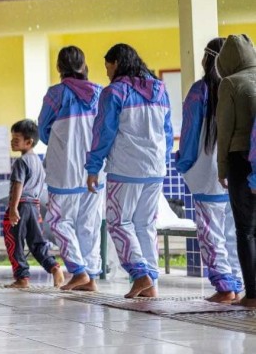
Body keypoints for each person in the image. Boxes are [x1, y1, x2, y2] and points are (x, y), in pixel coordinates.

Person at [85, 43, 172, 299]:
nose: (107, 72)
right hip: (155, 168)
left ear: (117, 64)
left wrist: (93, 166)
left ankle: (140, 274)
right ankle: (151, 283)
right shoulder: (160, 90)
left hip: (126, 168)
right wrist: (162, 160)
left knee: (118, 222)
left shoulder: (114, 92)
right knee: (145, 225)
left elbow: (104, 131)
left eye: (108, 66)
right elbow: (166, 132)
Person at [176, 37, 243, 303]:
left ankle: (225, 287)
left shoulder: (200, 91)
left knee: (210, 234)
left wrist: (184, 165)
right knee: (233, 232)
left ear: (207, 59)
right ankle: (237, 282)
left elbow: (190, 134)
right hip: (237, 173)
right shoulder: (240, 88)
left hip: (207, 173)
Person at [39, 46, 104, 292]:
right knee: (89, 223)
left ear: (59, 68)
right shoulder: (99, 92)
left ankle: (78, 271)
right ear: (84, 66)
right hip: (95, 168)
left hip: (65, 168)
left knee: (58, 221)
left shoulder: (56, 94)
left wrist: (61, 142)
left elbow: (43, 128)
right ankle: (92, 276)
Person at [216, 34, 256, 308]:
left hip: (241, 159)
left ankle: (252, 294)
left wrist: (221, 169)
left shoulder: (229, 84)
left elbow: (225, 128)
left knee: (246, 229)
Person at [3, 119, 64, 288]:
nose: (12, 142)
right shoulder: (37, 161)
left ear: (28, 142)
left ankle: (22, 278)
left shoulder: (21, 162)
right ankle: (54, 267)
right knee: (37, 242)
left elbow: (18, 185)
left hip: (21, 205)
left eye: (16, 140)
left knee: (13, 242)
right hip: (34, 206)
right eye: (12, 139)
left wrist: (13, 209)